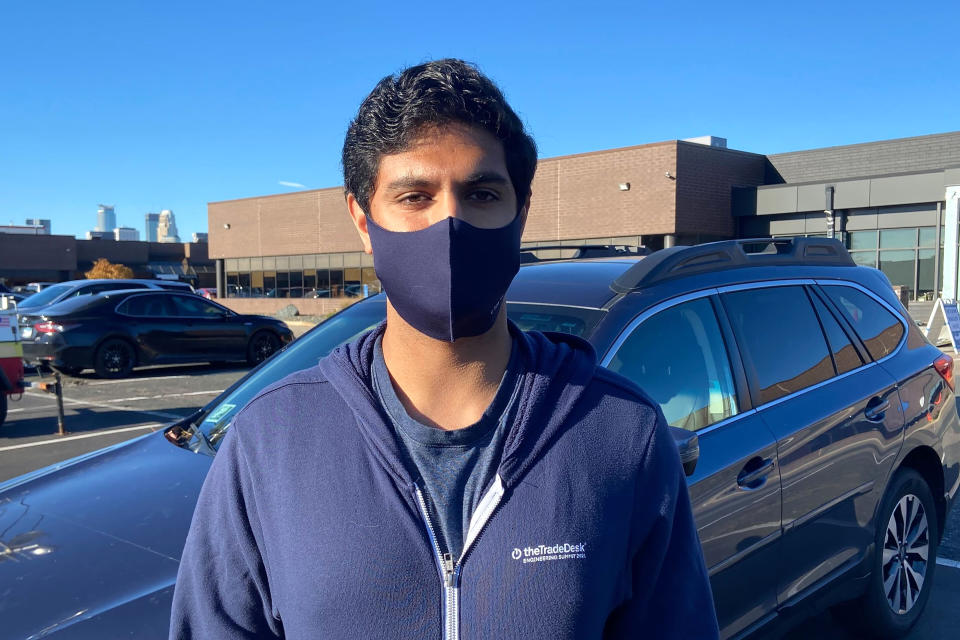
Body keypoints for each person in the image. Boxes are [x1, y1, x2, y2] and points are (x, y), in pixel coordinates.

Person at [170, 59, 719, 639]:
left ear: (521, 212)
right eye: (414, 196)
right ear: (363, 218)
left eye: (481, 193)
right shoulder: (270, 438)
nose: (450, 223)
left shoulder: (619, 431)